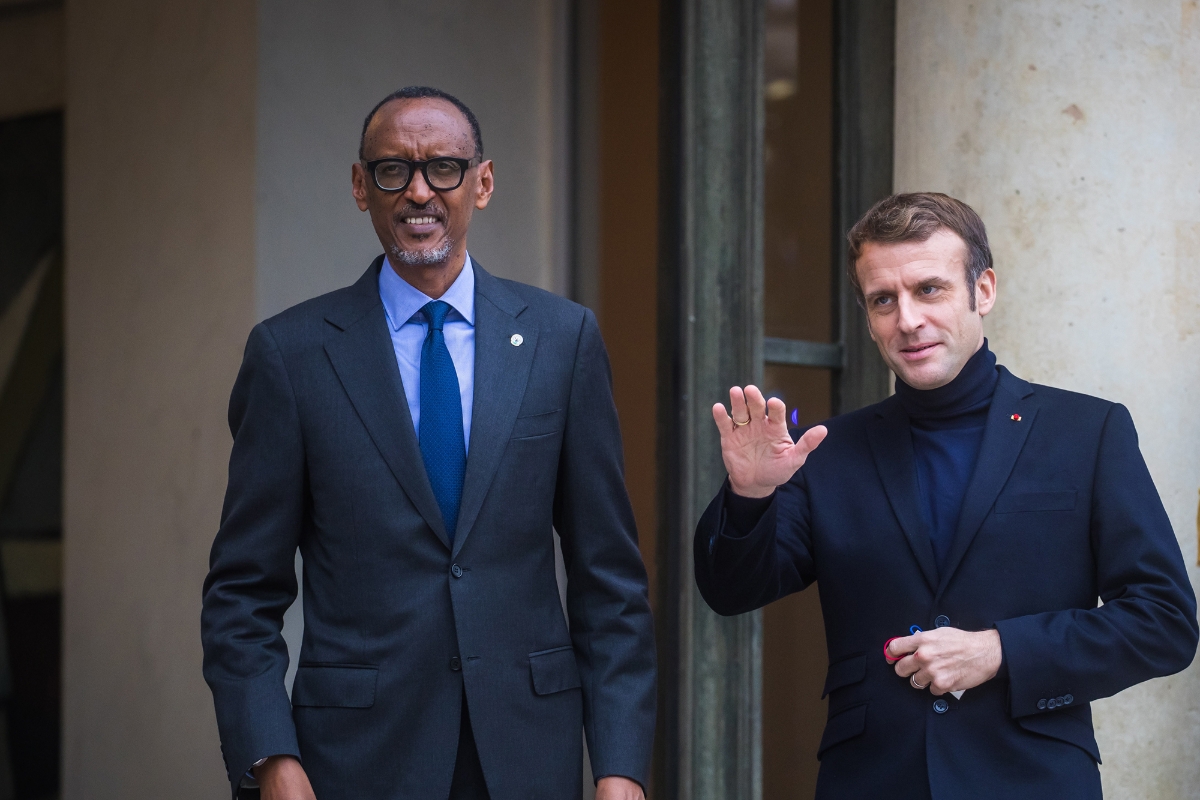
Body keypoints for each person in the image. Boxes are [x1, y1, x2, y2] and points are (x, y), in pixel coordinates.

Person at [201, 86, 655, 800]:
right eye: (393, 170)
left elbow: (610, 585)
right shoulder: (290, 355)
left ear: (484, 181)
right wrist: (270, 759)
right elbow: (241, 594)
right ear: (361, 186)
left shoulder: (561, 341)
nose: (419, 191)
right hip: (352, 762)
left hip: (526, 757)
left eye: (444, 167)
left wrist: (621, 769)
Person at [694, 192, 1198, 799]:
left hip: (1031, 780)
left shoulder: (1087, 433)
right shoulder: (829, 451)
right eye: (884, 300)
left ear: (982, 291)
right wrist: (748, 496)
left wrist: (1002, 650)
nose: (906, 319)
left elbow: (1163, 621)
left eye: (928, 289)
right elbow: (731, 591)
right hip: (873, 782)